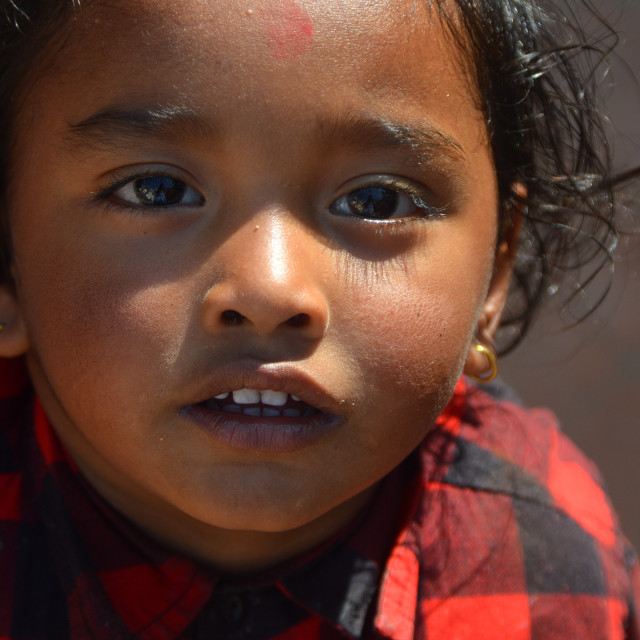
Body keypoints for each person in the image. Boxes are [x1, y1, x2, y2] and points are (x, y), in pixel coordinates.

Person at [0, 0, 637, 637]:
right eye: (156, 190)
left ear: (493, 276)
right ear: (8, 265)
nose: (271, 290)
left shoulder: (545, 574)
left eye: (375, 199)